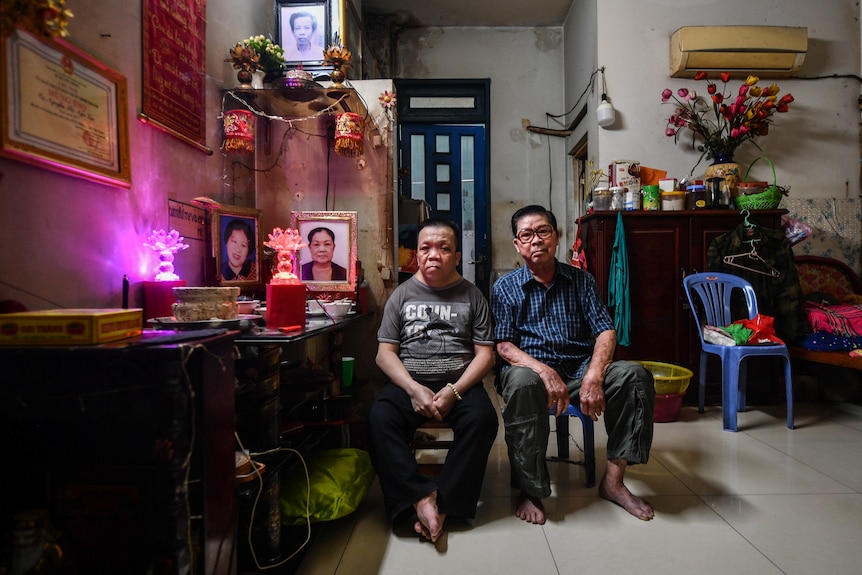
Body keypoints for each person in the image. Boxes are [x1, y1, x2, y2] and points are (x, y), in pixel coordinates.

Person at [491, 205, 655, 525]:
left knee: (633, 376)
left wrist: (594, 375)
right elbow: (504, 346)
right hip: (530, 371)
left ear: (556, 236)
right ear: (517, 244)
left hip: (580, 369)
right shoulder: (505, 287)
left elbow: (605, 330)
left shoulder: (581, 281)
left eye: (543, 231)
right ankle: (531, 488)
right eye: (527, 234)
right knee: (523, 384)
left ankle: (614, 481)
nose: (536, 240)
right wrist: (545, 371)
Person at [367, 218, 498, 544]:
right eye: (425, 248)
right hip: (408, 385)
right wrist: (412, 388)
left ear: (456, 256)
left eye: (444, 248)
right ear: (417, 254)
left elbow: (485, 356)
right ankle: (421, 496)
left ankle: (445, 503)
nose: (433, 255)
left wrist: (454, 391)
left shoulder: (472, 296)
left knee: (483, 419)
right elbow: (385, 354)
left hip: (461, 386)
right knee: (378, 418)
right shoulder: (402, 295)